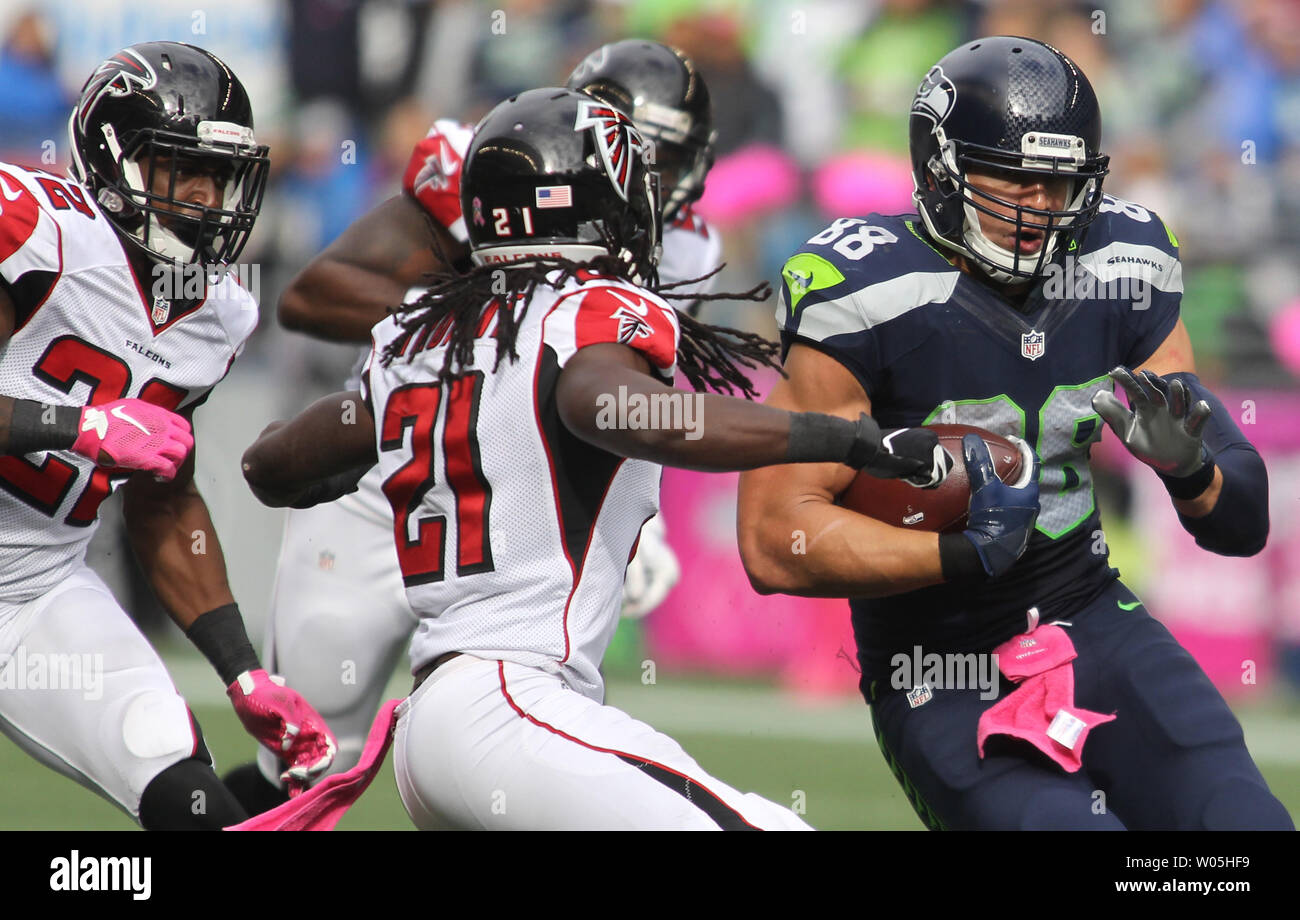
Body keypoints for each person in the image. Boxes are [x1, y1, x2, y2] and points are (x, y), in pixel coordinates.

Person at [240, 86, 949, 830]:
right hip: (509, 704)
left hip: (438, 722)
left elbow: (273, 466)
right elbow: (607, 407)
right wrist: (840, 438)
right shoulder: (584, 306)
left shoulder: (421, 332)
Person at [737, 36, 1294, 831]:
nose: (1037, 205)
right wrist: (956, 552)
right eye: (1012, 175)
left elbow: (1241, 527)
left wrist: (1191, 471)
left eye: (1058, 182)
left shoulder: (1122, 263)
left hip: (1093, 613)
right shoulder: (863, 290)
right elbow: (772, 537)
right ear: (939, 166)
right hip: (938, 656)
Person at [225, 40, 725, 812]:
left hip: (524, 495)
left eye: (663, 153)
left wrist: (640, 523)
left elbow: (618, 393)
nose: (644, 172)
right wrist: (477, 343)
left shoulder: (690, 243)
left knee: (523, 735)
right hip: (395, 480)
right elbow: (313, 296)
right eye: (630, 144)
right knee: (312, 765)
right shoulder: (492, 171)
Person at [0, 41, 334, 830]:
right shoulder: (36, 233)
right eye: (181, 171)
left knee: (185, 791)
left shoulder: (217, 314)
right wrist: (76, 424)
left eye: (218, 176)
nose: (204, 197)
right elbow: (99, 433)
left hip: (33, 591)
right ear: (115, 161)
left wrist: (242, 672)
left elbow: (163, 494)